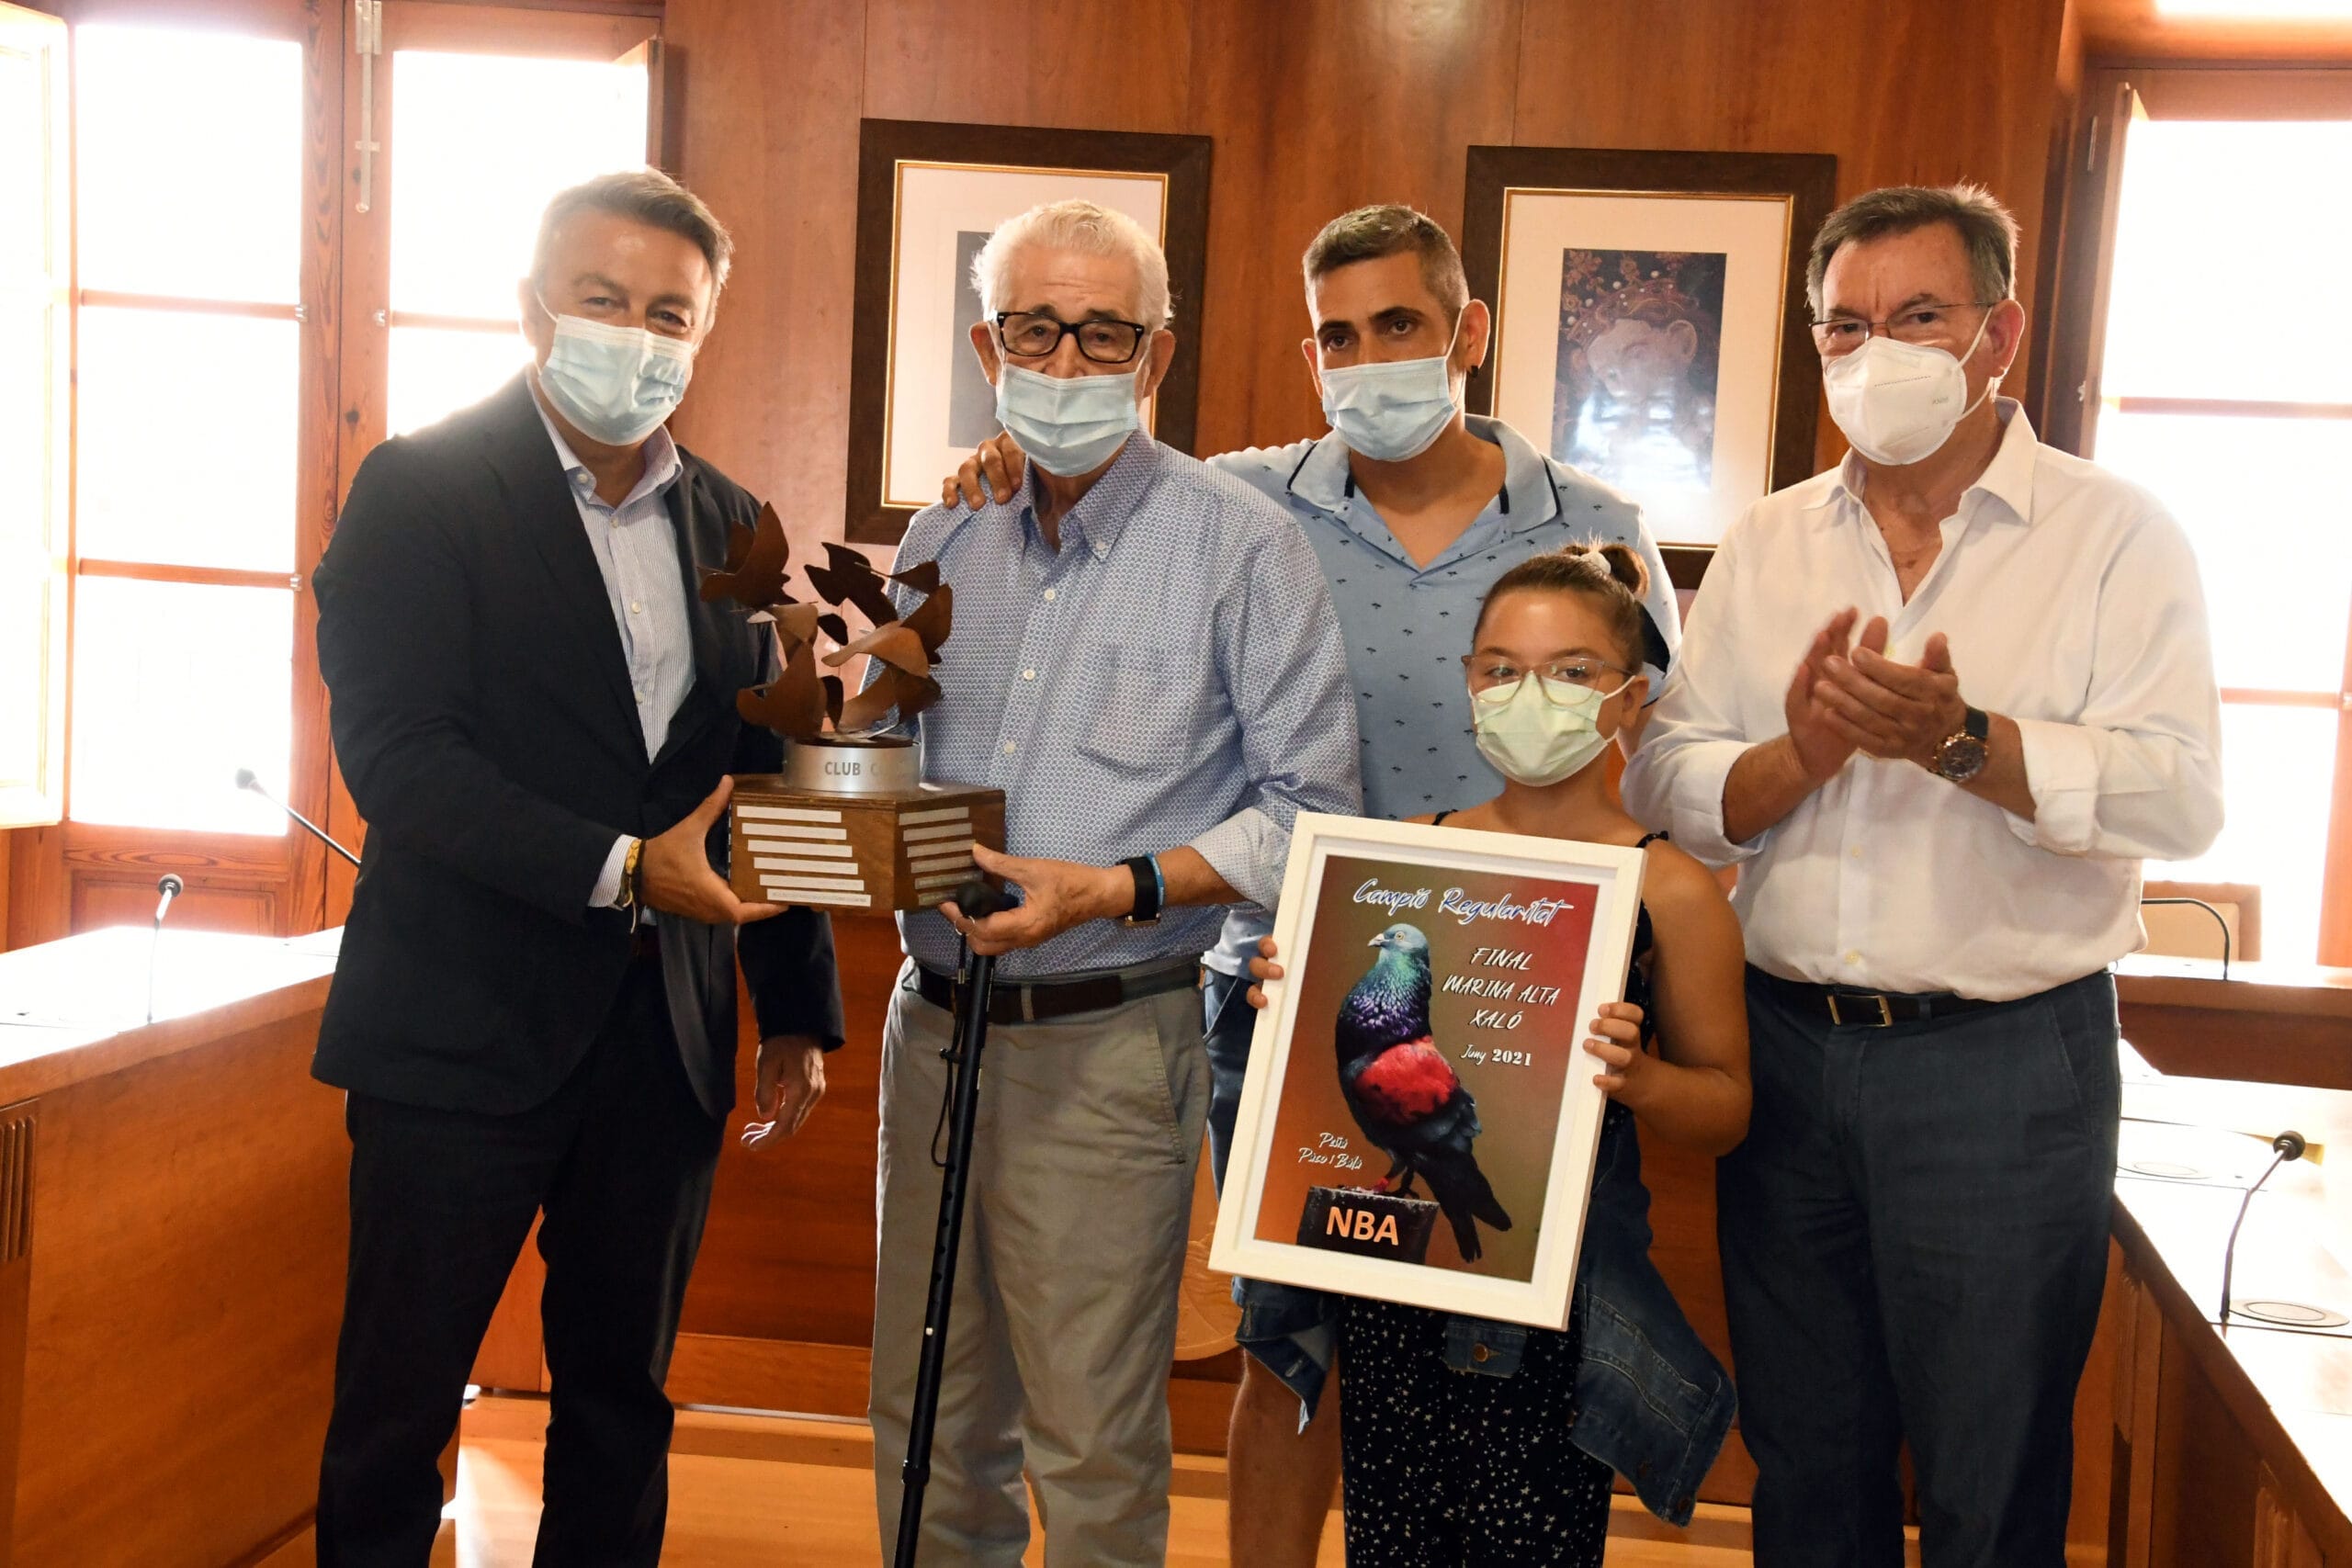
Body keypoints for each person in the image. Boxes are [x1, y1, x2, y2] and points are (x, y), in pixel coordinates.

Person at [943, 203, 1681, 1564]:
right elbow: (1098, 478)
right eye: (1337, 335)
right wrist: (999, 457)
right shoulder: (1249, 501)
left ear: (1465, 331)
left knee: (1504, 1356)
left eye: (1399, 325)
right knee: (1290, 1353)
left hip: (1526, 1001)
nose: (1367, 358)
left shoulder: (1598, 523)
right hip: (1290, 994)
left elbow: (1661, 758)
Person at [1623, 184, 2224, 1568]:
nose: (1874, 351)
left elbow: (2181, 794)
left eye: (1918, 317)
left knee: (1987, 1471)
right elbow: (1667, 780)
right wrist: (1802, 755)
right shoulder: (1771, 536)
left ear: (1997, 334)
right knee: (1805, 1460)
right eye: (1845, 325)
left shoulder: (2117, 534)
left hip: (2003, 1066)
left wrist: (1964, 743)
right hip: (1786, 1049)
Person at [311, 170, 844, 1567]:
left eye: (670, 312)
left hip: (662, 1042)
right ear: (533, 305)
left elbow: (763, 768)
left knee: (622, 1402)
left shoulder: (735, 522)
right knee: (397, 1407)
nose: (635, 333)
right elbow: (400, 759)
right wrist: (620, 867)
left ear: (704, 329)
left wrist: (796, 1004)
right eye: (602, 298)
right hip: (456, 1027)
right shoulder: (419, 487)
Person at [867, 198, 1359, 1568]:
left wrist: (1117, 887)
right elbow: (883, 753)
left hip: (1108, 1041)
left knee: (1089, 1442)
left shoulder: (1241, 545)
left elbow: (1314, 814)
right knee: (924, 1417)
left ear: (1157, 354)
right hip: (932, 1027)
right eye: (1036, 330)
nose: (1067, 362)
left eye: (1104, 334)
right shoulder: (940, 536)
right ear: (988, 345)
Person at [1243, 544, 1747, 1563]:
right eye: (1502, 669)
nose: (1531, 694)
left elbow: (1726, 1108)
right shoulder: (1404, 855)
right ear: (1470, 684)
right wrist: (1286, 998)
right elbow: (1334, 1075)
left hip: (1554, 1301)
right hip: (1392, 1284)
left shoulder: (1670, 889)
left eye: (1572, 671)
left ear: (1630, 698)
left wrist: (1640, 1076)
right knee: (1390, 1541)